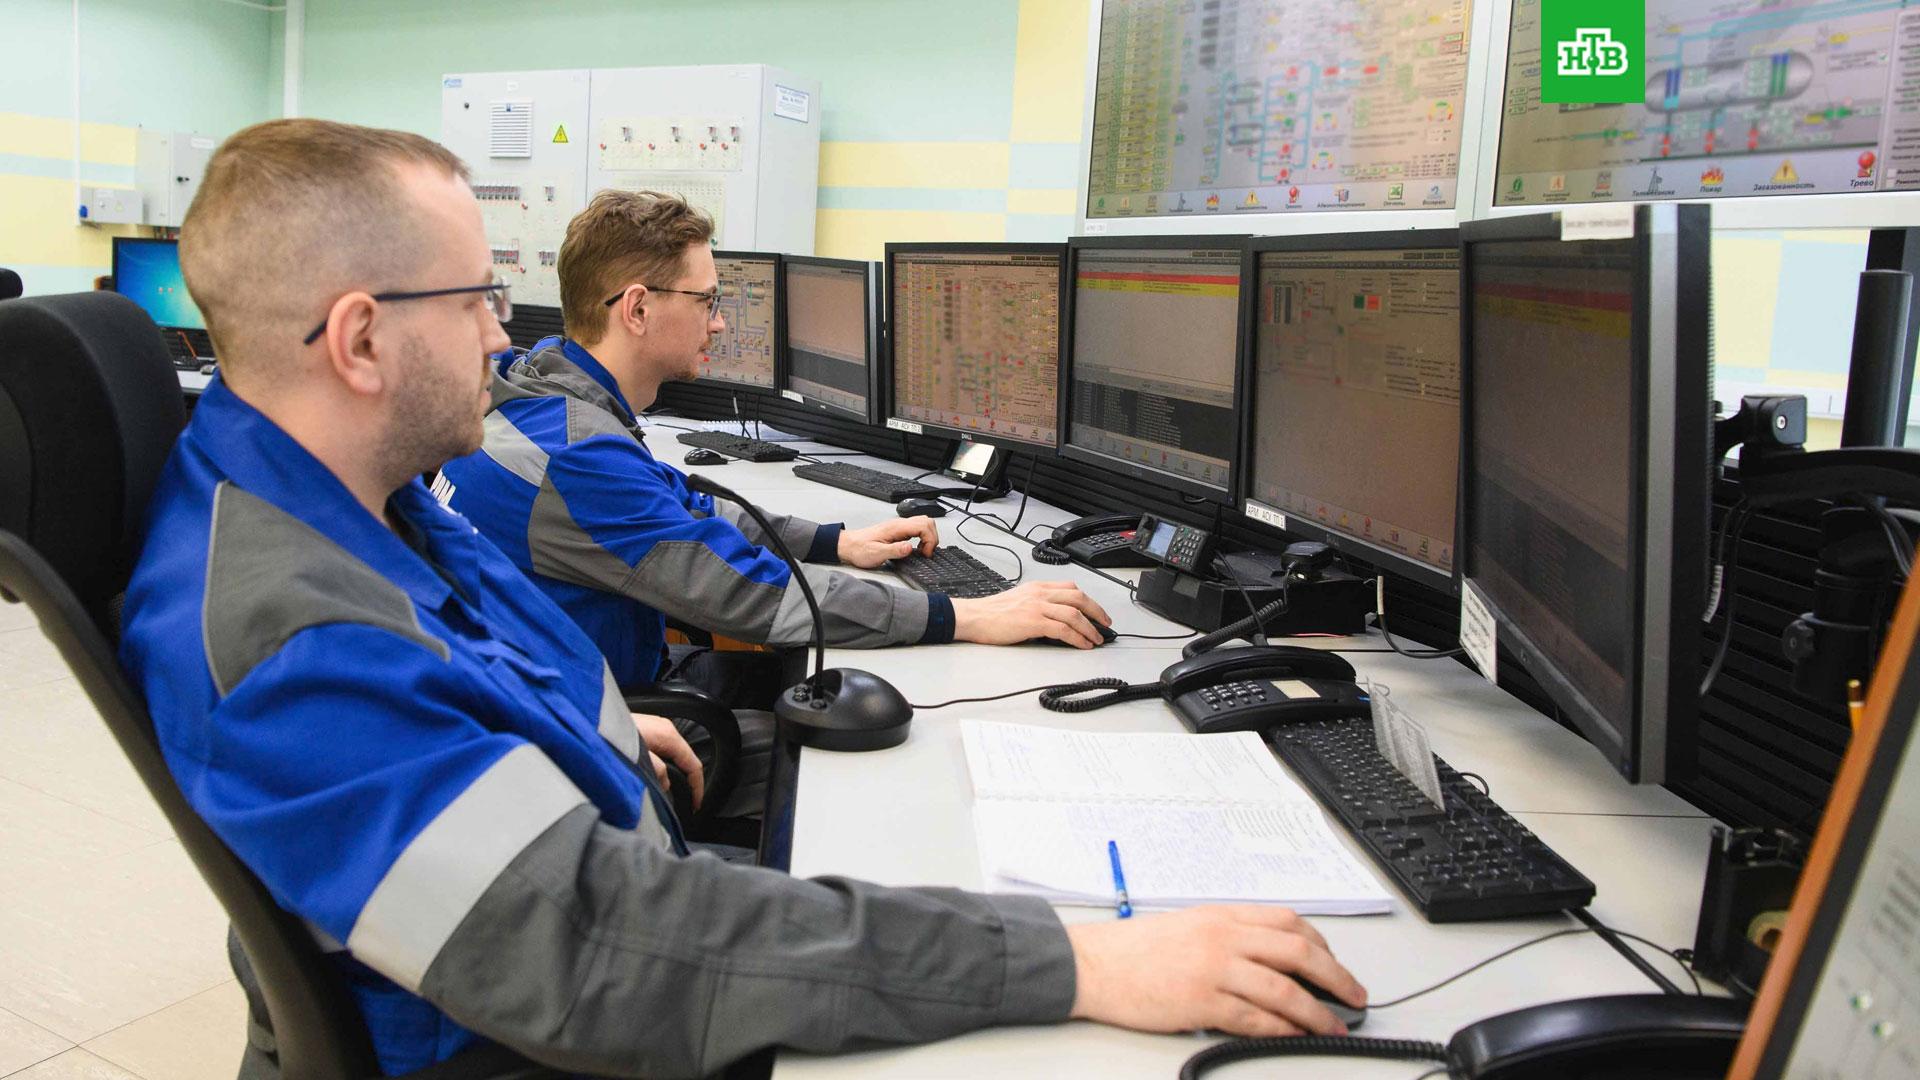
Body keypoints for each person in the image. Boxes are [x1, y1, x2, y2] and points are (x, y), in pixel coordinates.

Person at [119, 117, 1366, 1078]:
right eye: (477, 301)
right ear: (359, 338)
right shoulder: (292, 637)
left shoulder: (337, 492)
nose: (503, 336)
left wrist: (599, 724)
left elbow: (489, 651)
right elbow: (605, 947)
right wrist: (1076, 961)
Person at [438, 190, 1113, 713]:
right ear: (637, 309)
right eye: (707, 300)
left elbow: (685, 507)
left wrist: (836, 542)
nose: (719, 321)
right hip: (602, 723)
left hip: (580, 688)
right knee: (847, 751)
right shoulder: (577, 455)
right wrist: (964, 613)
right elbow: (748, 594)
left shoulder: (546, 395)